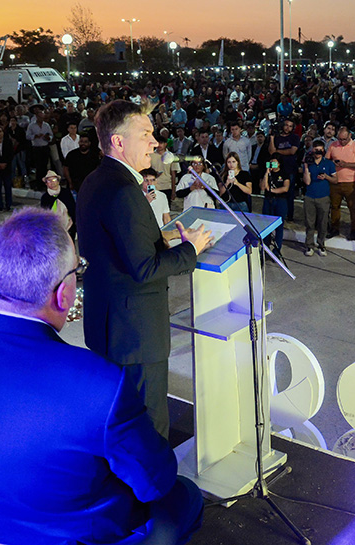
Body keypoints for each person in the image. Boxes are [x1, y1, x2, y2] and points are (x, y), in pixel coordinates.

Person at [0, 208, 203, 545]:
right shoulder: (98, 382)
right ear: (63, 293)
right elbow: (155, 482)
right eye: (77, 271)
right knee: (185, 496)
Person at [76, 100, 212, 438]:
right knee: (147, 427)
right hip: (135, 336)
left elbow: (114, 244)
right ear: (118, 141)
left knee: (116, 421)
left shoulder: (95, 180)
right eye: (146, 134)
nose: (155, 142)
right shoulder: (124, 190)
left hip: (108, 326)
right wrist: (191, 249)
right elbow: (145, 268)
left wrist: (162, 239)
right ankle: (151, 474)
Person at [326, 127, 355, 240]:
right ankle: (334, 228)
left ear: (350, 136)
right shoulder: (333, 145)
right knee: (334, 206)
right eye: (340, 139)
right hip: (335, 181)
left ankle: (354, 229)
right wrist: (332, 163)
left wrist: (346, 164)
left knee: (353, 207)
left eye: (344, 139)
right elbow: (326, 160)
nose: (342, 142)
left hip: (350, 182)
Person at [268, 118, 300, 221]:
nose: (287, 128)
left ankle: (289, 215)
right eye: (286, 125)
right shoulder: (277, 137)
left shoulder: (295, 137)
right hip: (276, 169)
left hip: (290, 169)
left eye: (290, 126)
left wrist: (277, 151)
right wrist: (272, 138)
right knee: (274, 191)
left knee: (289, 193)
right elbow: (271, 152)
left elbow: (292, 151)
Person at [260, 154, 290, 257]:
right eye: (271, 162)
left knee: (279, 227)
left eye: (274, 162)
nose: (272, 164)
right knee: (266, 225)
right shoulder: (267, 173)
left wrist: (272, 190)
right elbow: (263, 187)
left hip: (280, 200)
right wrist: (266, 173)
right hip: (268, 200)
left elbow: (285, 188)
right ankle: (265, 249)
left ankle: (277, 250)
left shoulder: (284, 173)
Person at [40, 170, 74, 235]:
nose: (52, 182)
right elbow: (44, 213)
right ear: (46, 183)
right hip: (52, 228)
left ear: (58, 181)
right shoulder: (45, 197)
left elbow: (72, 208)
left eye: (54, 180)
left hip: (68, 225)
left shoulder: (66, 193)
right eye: (49, 181)